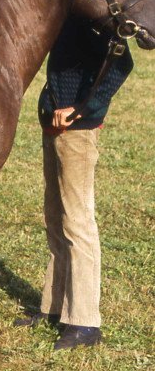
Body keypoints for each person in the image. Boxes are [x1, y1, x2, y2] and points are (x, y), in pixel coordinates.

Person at [14, 18, 134, 350]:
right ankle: (54, 309)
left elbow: (122, 65)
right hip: (55, 129)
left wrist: (81, 109)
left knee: (77, 222)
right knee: (56, 218)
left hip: (77, 134)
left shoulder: (94, 19)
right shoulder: (69, 12)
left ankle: (84, 322)